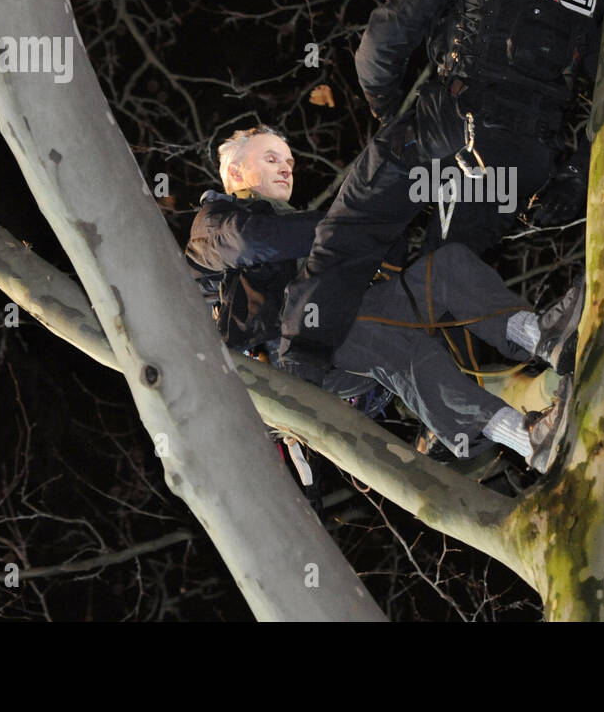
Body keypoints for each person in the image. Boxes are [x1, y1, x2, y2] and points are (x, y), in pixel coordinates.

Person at [278, 0, 604, 382]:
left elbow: (382, 39)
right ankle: (486, 388)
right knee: (447, 274)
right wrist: (574, 175)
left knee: (352, 230)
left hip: (448, 129)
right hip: (525, 156)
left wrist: (385, 107)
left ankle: (303, 362)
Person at [184, 126, 582, 472]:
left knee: (447, 267)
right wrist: (352, 227)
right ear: (235, 172)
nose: (286, 167)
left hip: (341, 331)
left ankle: (541, 337)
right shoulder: (213, 225)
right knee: (385, 337)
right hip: (293, 356)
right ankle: (527, 440)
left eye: (288, 160)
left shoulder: (293, 225)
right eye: (271, 159)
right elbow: (252, 242)